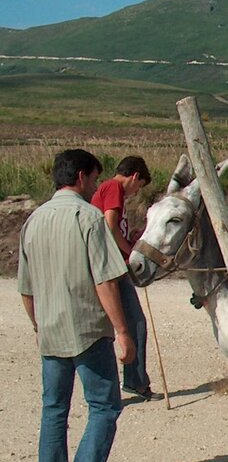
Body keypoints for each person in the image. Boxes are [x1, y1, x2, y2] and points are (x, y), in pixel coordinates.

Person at [17, 148, 137, 462]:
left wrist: (39, 325)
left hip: (50, 331)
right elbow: (104, 280)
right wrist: (122, 330)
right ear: (82, 176)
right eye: (94, 178)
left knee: (54, 410)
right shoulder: (87, 218)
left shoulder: (33, 221)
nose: (95, 186)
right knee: (104, 406)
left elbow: (26, 287)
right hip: (87, 330)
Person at [91, 155, 153, 400]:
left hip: (114, 262)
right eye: (139, 186)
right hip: (114, 265)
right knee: (134, 323)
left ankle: (134, 380)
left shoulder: (109, 188)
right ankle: (135, 381)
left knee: (133, 323)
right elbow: (109, 224)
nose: (136, 192)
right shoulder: (114, 188)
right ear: (135, 176)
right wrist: (129, 252)